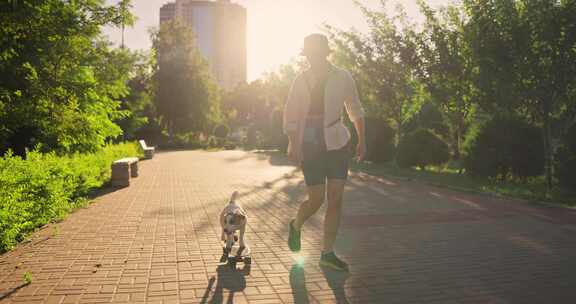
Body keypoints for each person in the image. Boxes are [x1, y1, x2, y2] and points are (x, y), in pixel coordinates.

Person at [283, 33, 366, 271]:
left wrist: (362, 140)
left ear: (325, 52)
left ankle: (327, 253)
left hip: (337, 142)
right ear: (306, 55)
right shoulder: (300, 80)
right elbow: (291, 113)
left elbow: (355, 108)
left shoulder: (343, 77)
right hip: (310, 143)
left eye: (317, 52)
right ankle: (296, 224)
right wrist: (292, 142)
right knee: (317, 199)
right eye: (309, 53)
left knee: (336, 199)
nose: (313, 57)